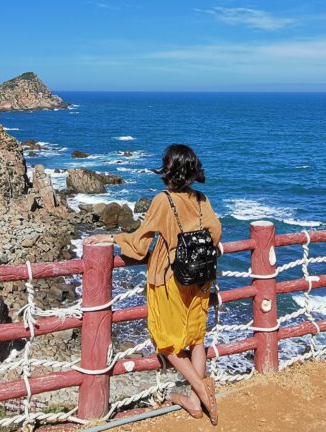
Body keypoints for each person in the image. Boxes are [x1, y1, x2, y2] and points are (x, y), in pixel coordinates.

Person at [84, 143, 222, 425]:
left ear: (168, 170)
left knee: (167, 342)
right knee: (196, 338)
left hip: (171, 278)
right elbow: (216, 232)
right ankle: (194, 402)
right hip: (201, 277)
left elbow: (139, 244)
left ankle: (202, 391)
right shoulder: (201, 199)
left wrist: (110, 238)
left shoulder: (163, 200)